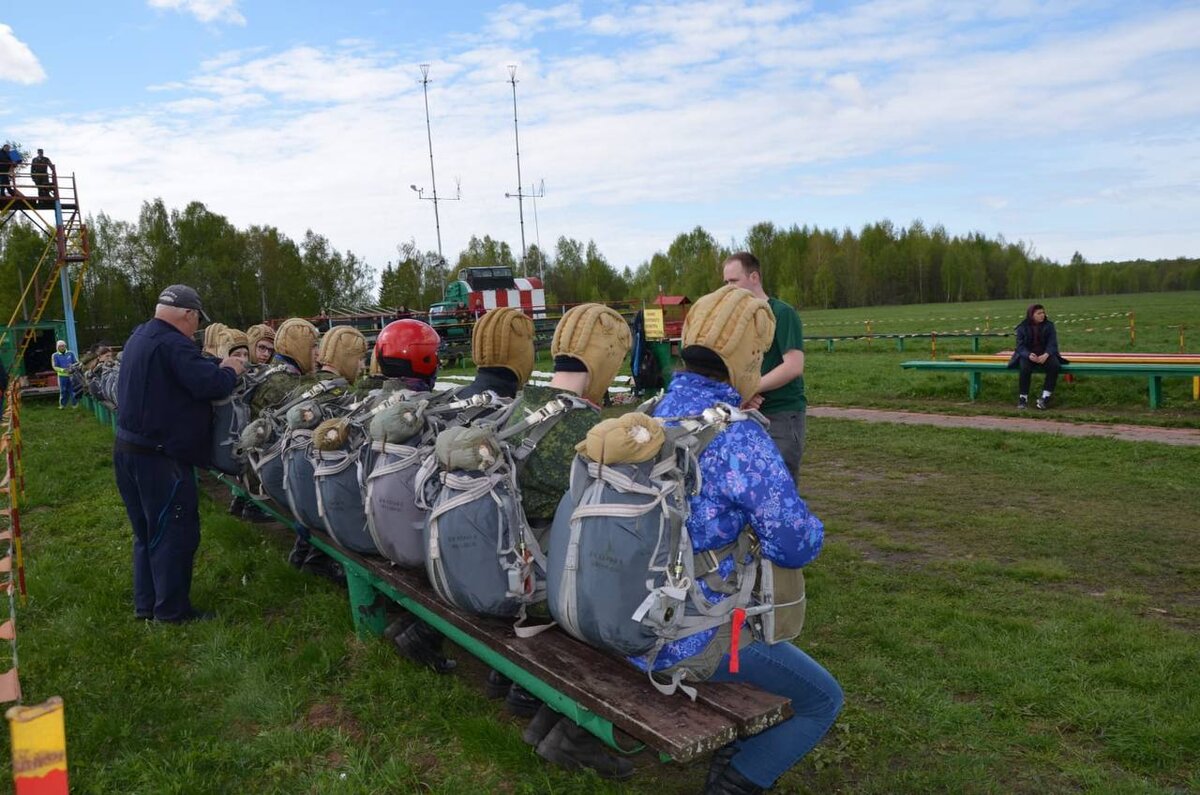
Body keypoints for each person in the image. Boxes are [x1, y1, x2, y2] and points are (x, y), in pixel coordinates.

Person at [644, 285, 842, 794]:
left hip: (633, 611)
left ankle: (735, 752)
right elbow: (795, 544)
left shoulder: (649, 415)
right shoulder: (739, 439)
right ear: (747, 358)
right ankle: (736, 781)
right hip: (692, 636)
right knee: (822, 700)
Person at [496, 303, 634, 780]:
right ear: (603, 364)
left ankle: (531, 701)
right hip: (541, 591)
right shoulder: (586, 430)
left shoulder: (518, 404)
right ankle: (577, 737)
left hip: (501, 565)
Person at [114, 284, 246, 622]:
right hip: (160, 458)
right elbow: (211, 385)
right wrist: (231, 368)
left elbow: (187, 368)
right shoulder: (173, 343)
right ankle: (172, 612)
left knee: (146, 532)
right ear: (188, 314)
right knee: (174, 533)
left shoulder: (140, 336)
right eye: (196, 320)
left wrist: (213, 362)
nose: (196, 328)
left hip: (128, 450)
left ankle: (147, 605)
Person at [722, 252, 807, 486]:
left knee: (779, 489)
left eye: (733, 281)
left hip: (781, 415)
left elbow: (793, 365)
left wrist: (753, 387)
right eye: (725, 282)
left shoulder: (781, 313)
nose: (728, 288)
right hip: (745, 414)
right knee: (749, 487)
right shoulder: (735, 322)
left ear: (754, 277)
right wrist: (743, 395)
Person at [1008, 303, 1067, 410]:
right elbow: (1020, 347)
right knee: (1024, 367)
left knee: (1055, 366)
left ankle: (1045, 398)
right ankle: (1023, 398)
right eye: (1039, 313)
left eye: (1043, 312)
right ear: (1032, 315)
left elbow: (1053, 344)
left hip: (1045, 354)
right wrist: (1028, 355)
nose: (1042, 315)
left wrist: (1046, 354)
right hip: (1029, 355)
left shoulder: (1049, 325)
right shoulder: (1022, 327)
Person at [51, 340, 79, 409]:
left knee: (73, 390)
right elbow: (54, 366)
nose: (62, 347)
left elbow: (76, 362)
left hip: (72, 375)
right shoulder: (55, 355)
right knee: (63, 391)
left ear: (65, 346)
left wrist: (72, 366)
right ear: (57, 347)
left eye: (63, 346)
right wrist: (63, 370)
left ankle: (74, 404)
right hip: (62, 376)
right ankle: (63, 405)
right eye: (60, 346)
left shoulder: (71, 353)